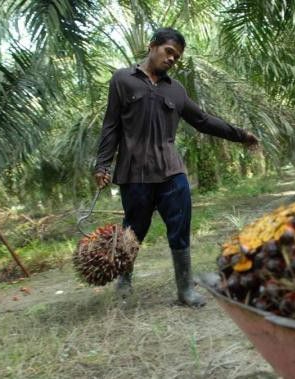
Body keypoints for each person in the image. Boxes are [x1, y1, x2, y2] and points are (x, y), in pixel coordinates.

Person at [94, 27, 259, 307]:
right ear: (152, 46)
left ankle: (185, 290)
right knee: (134, 229)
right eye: (169, 51)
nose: (172, 59)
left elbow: (203, 121)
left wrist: (240, 135)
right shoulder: (123, 80)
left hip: (172, 171)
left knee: (179, 227)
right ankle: (124, 278)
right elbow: (111, 125)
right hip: (135, 173)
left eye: (177, 57)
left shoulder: (176, 90)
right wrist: (102, 164)